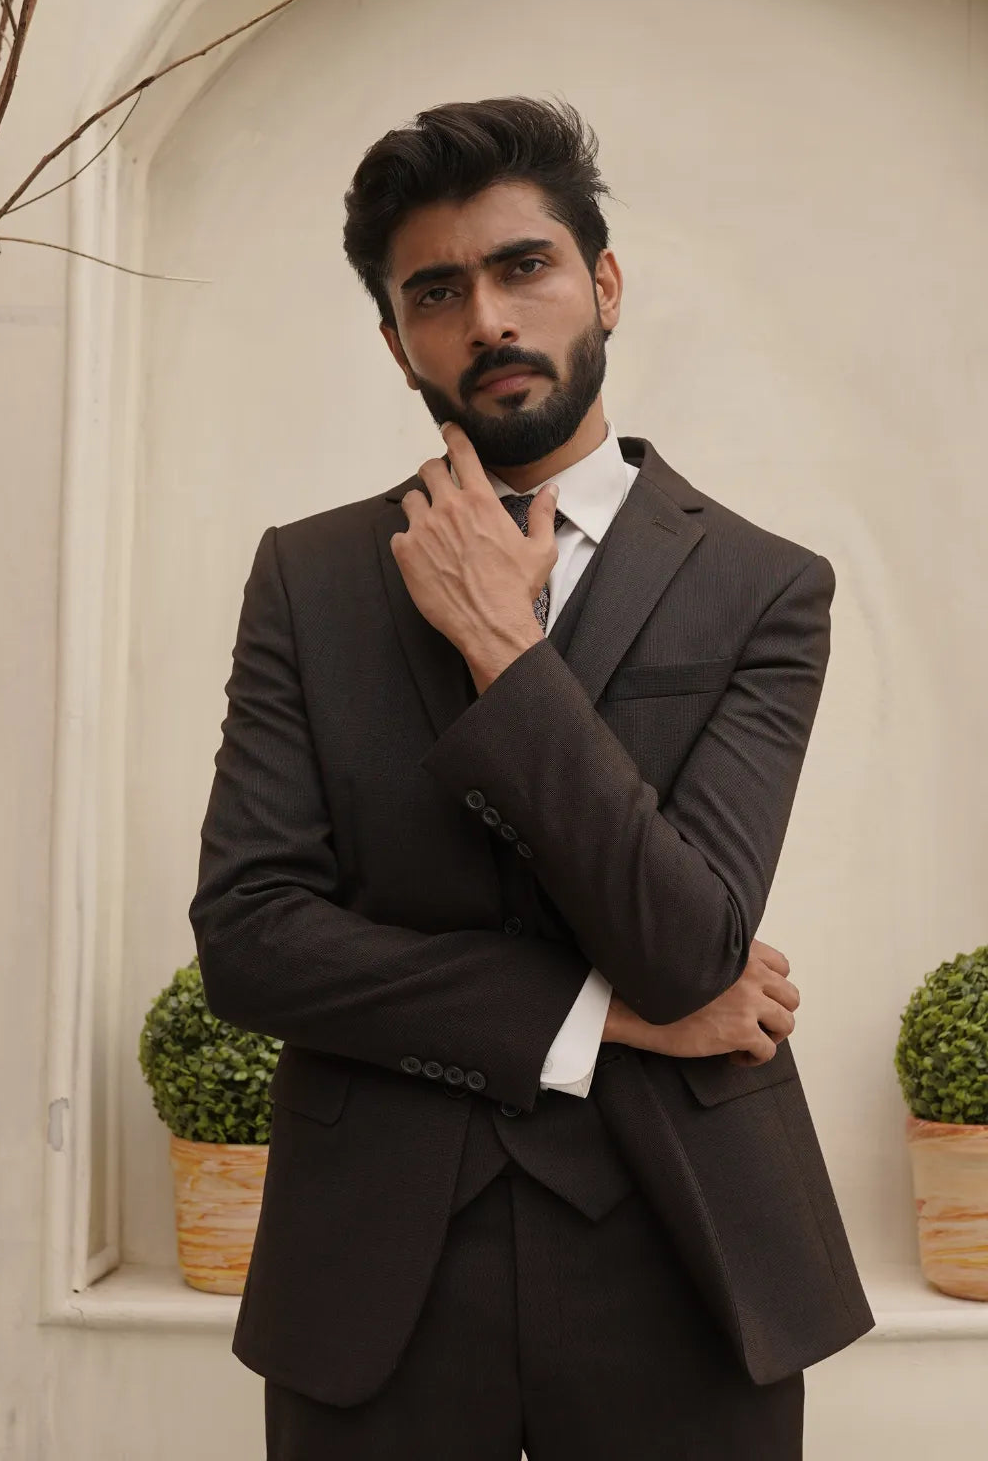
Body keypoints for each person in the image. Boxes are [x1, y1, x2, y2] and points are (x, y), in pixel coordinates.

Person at [189, 97, 874, 1460]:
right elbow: (252, 943)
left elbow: (688, 950)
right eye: (437, 293)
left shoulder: (766, 588)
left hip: (687, 1248)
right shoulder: (308, 578)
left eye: (525, 267)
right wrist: (597, 1019)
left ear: (603, 284)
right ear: (398, 344)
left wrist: (506, 648)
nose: (489, 319)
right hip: (374, 1260)